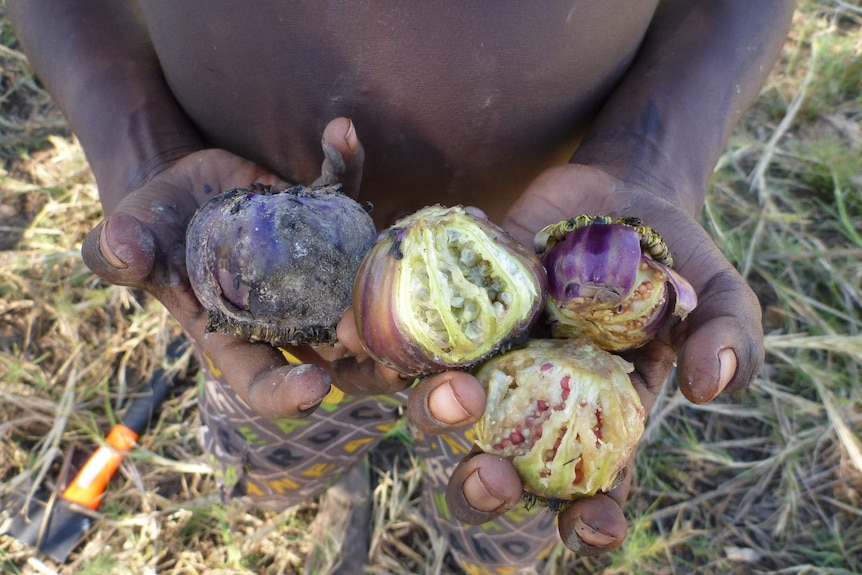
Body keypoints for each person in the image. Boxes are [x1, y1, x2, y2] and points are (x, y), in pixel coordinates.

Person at [8, 1, 795, 573]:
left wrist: (654, 156)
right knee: (280, 445)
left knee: (503, 504)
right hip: (273, 328)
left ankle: (478, 559)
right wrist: (138, 144)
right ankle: (324, 488)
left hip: (526, 350)